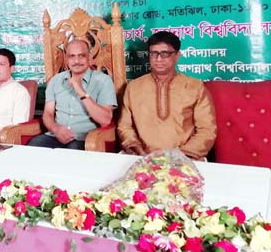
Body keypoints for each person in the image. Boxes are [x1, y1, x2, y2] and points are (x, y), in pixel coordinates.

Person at [117, 31, 217, 160]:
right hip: (141, 156)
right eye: (154, 54)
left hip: (185, 157)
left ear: (177, 56)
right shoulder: (134, 87)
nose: (158, 59)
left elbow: (207, 130)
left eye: (165, 54)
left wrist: (179, 155)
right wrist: (138, 150)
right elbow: (124, 126)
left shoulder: (195, 87)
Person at [28, 39, 117, 150]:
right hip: (56, 135)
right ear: (66, 59)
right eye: (72, 56)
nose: (77, 61)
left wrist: (81, 91)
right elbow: (48, 113)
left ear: (89, 57)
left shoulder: (103, 80)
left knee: (73, 152)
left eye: (81, 56)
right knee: (34, 146)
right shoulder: (56, 80)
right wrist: (55, 128)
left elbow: (105, 120)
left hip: (86, 138)